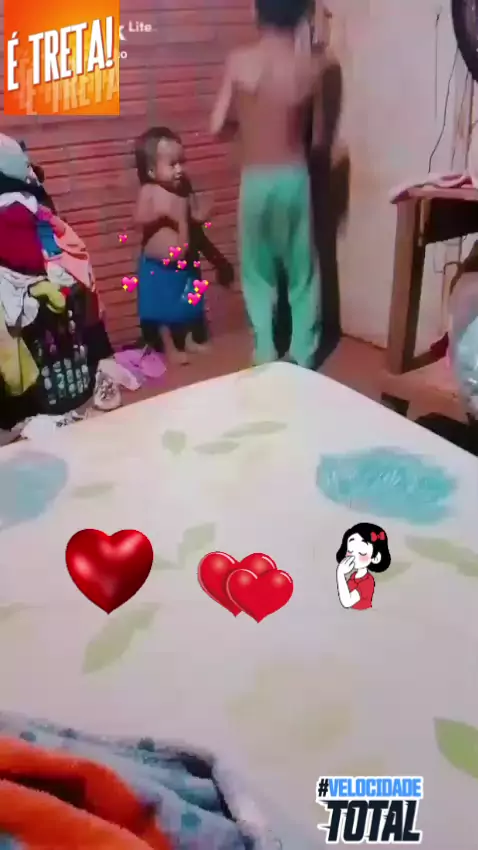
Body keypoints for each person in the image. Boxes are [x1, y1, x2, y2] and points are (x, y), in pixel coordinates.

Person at [210, 0, 321, 368]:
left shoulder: (240, 61)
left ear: (256, 12)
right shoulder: (310, 67)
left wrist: (245, 126)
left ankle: (264, 349)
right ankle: (303, 354)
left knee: (257, 272)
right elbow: (319, 139)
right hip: (295, 177)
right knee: (302, 271)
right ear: (301, 14)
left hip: (256, 179)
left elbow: (215, 126)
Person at [134, 127, 211, 365]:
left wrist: (202, 215)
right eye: (172, 164)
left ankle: (188, 339)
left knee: (186, 304)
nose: (179, 169)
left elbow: (193, 214)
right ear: (151, 170)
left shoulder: (184, 190)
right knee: (162, 308)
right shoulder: (149, 191)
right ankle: (169, 346)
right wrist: (160, 214)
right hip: (158, 265)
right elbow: (138, 219)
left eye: (181, 162)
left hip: (184, 263)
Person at [335, 523, 392, 610]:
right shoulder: (354, 576)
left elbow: (347, 602)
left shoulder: (367, 582)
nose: (354, 557)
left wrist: (340, 574)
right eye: (350, 551)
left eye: (362, 553)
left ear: (375, 558)